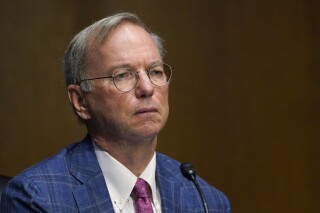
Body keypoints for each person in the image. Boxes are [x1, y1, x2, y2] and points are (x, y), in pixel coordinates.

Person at [0, 12, 231, 212]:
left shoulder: (207, 201)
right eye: (122, 75)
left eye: (155, 71)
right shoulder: (37, 197)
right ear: (80, 101)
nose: (147, 88)